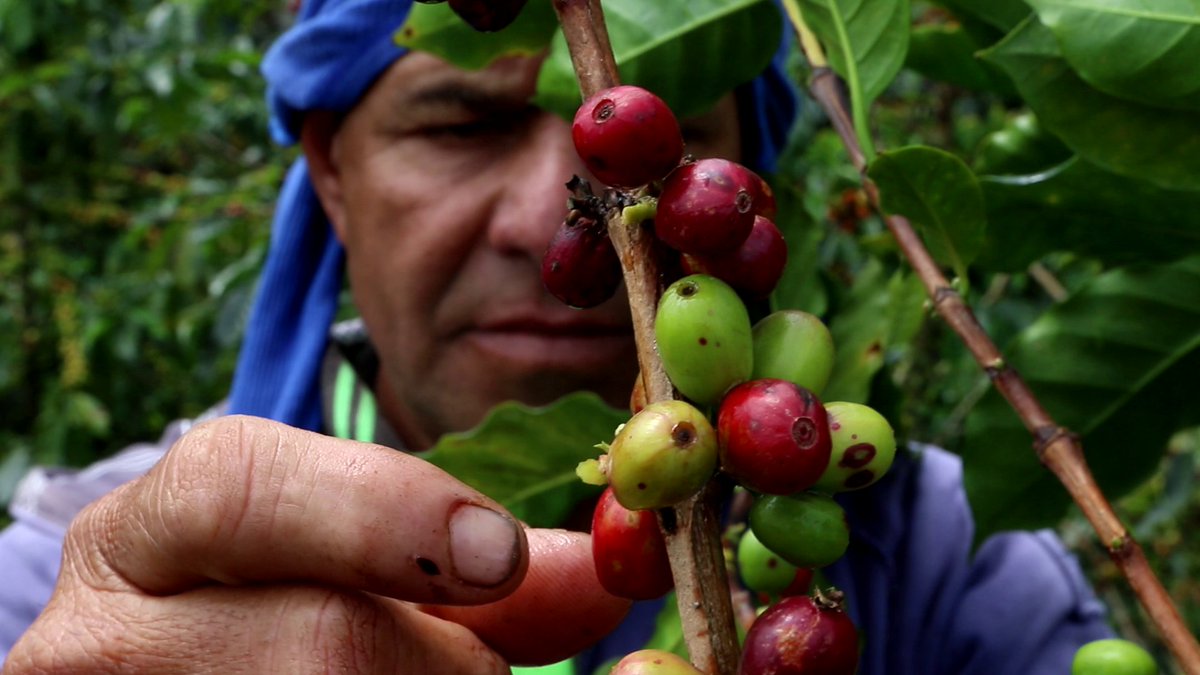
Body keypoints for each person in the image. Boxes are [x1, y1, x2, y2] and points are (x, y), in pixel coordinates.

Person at [0, 0, 1113, 673]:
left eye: (661, 163)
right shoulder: (84, 579)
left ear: (746, 182)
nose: (555, 217)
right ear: (331, 173)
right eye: (462, 126)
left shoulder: (947, 574)